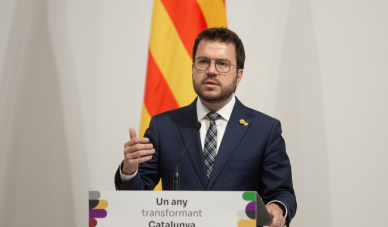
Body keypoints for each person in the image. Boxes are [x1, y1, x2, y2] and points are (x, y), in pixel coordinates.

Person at [115, 27, 297, 226]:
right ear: (193, 68)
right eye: (203, 62)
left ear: (239, 75)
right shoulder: (164, 126)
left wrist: (277, 207)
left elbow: (282, 192)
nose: (211, 70)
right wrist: (130, 169)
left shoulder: (264, 129)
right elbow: (135, 198)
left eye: (222, 64)